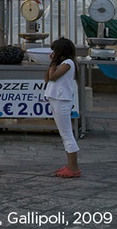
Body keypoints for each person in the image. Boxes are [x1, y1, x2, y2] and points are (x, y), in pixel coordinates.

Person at [44, 37, 81, 178]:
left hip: (62, 100)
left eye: (54, 50)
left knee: (67, 135)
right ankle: (71, 165)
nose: (52, 53)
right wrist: (53, 63)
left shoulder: (68, 63)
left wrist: (53, 63)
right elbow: (47, 78)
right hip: (56, 99)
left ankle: (74, 168)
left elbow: (52, 77)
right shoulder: (62, 63)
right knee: (64, 134)